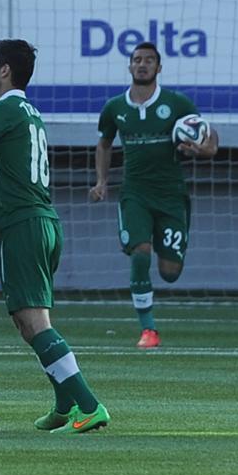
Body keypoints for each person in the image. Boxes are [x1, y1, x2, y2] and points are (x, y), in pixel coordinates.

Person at [0, 39, 110, 433]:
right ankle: (64, 404)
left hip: (22, 225)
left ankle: (89, 406)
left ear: (4, 70)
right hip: (41, 221)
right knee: (28, 321)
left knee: (34, 323)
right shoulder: (28, 112)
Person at [89, 41, 219, 348]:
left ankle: (167, 249)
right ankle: (149, 330)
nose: (142, 64)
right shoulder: (115, 108)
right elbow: (104, 144)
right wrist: (101, 181)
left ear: (159, 68)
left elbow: (209, 137)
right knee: (140, 252)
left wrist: (203, 149)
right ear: (130, 66)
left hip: (172, 195)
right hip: (134, 193)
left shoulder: (176, 103)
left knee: (170, 272)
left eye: (149, 60)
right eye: (137, 59)